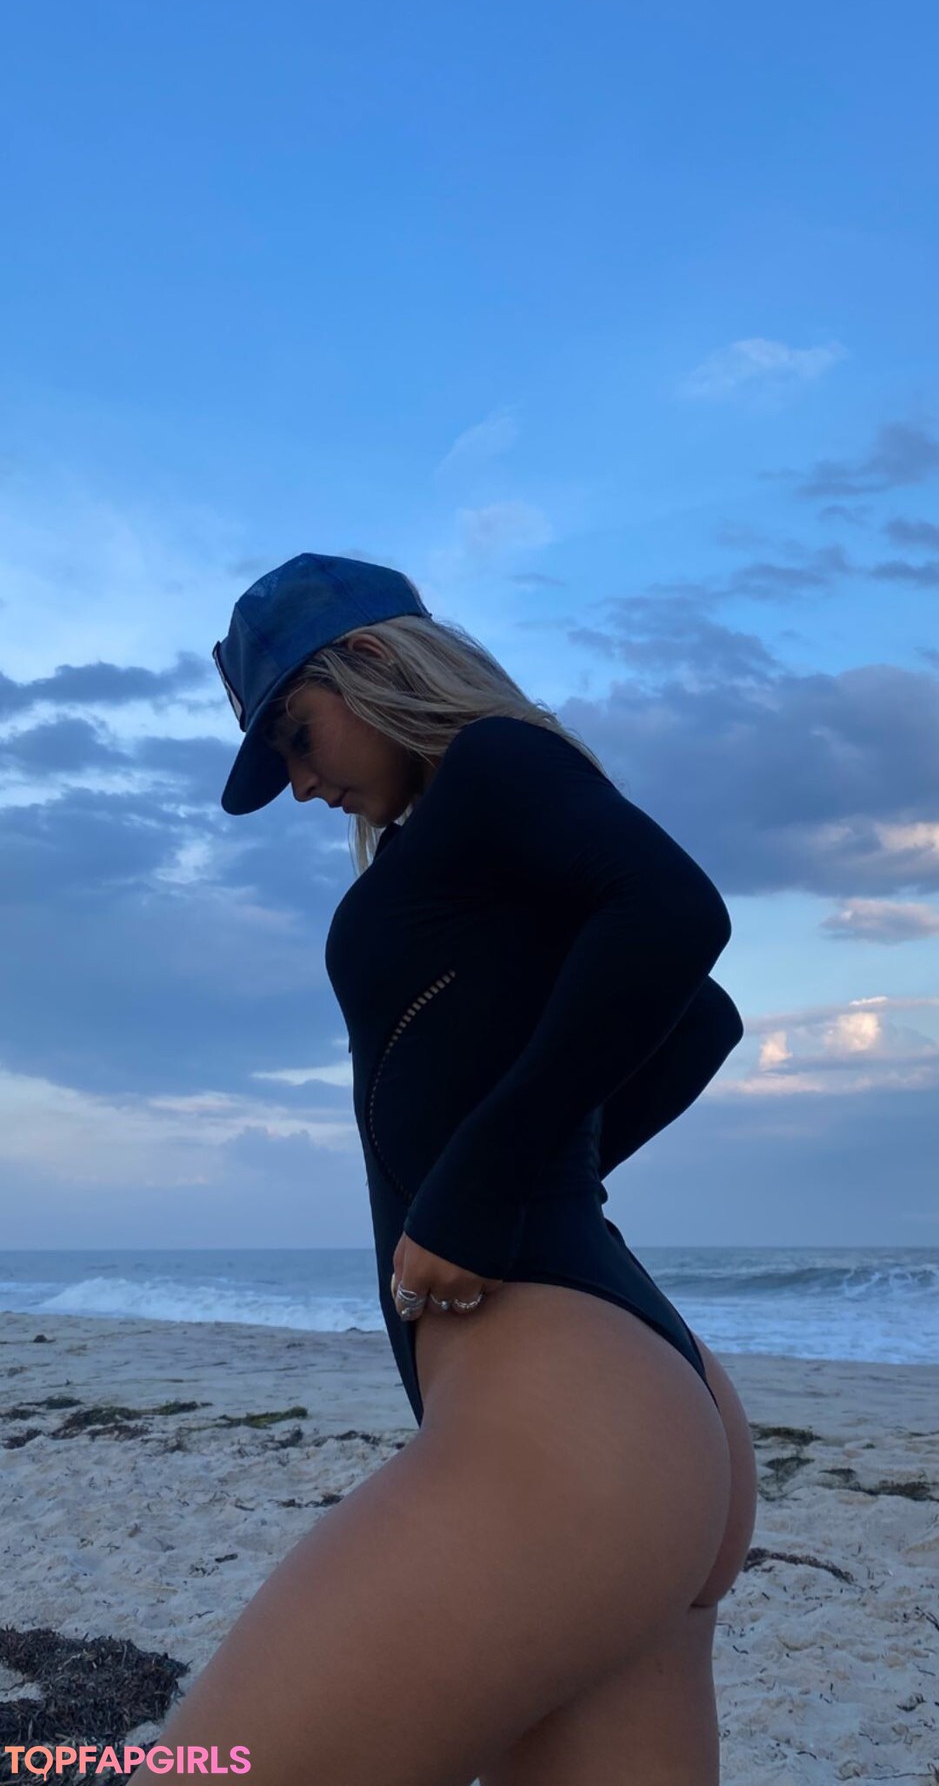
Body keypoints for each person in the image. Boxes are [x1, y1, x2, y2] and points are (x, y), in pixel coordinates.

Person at [135, 552, 758, 1786]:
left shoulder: (493, 761)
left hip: (567, 1424)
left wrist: (482, 1186)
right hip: (634, 1419)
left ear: (372, 662)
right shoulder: (473, 826)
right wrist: (530, 1173)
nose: (303, 784)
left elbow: (678, 916)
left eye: (297, 736)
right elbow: (701, 1023)